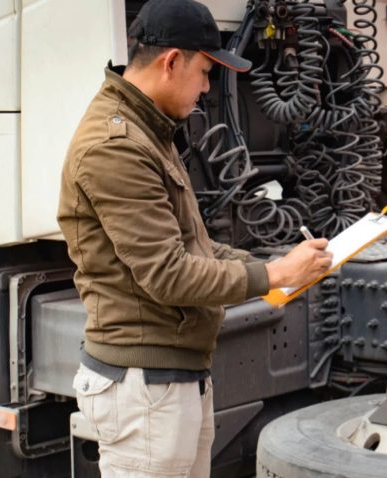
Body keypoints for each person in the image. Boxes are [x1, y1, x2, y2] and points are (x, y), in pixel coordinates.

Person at [56, 0, 333, 476]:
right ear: (171, 62)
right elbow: (167, 274)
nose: (208, 88)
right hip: (145, 389)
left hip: (167, 382)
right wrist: (273, 274)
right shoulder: (116, 147)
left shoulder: (149, 130)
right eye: (205, 72)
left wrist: (278, 266)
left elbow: (193, 245)